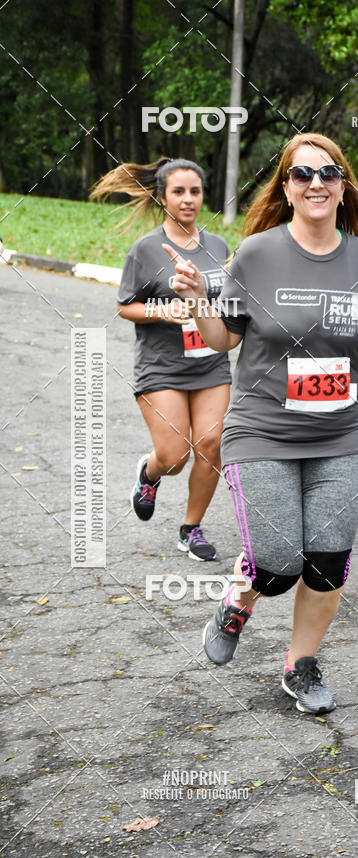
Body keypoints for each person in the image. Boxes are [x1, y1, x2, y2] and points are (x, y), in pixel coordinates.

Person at [164, 133, 358, 714]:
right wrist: (198, 300)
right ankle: (240, 599)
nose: (316, 182)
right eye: (303, 175)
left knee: (325, 561)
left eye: (329, 173)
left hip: (342, 436)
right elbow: (223, 338)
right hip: (263, 432)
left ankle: (301, 667)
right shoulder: (256, 254)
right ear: (288, 189)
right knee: (276, 565)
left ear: (343, 187)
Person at [90, 158, 232, 559]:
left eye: (196, 191)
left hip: (209, 362)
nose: (188, 200)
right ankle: (149, 473)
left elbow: (225, 301)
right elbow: (124, 306)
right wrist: (161, 311)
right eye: (179, 192)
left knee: (211, 443)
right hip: (162, 366)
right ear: (163, 196)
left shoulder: (217, 246)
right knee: (175, 457)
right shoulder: (145, 250)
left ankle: (191, 529)